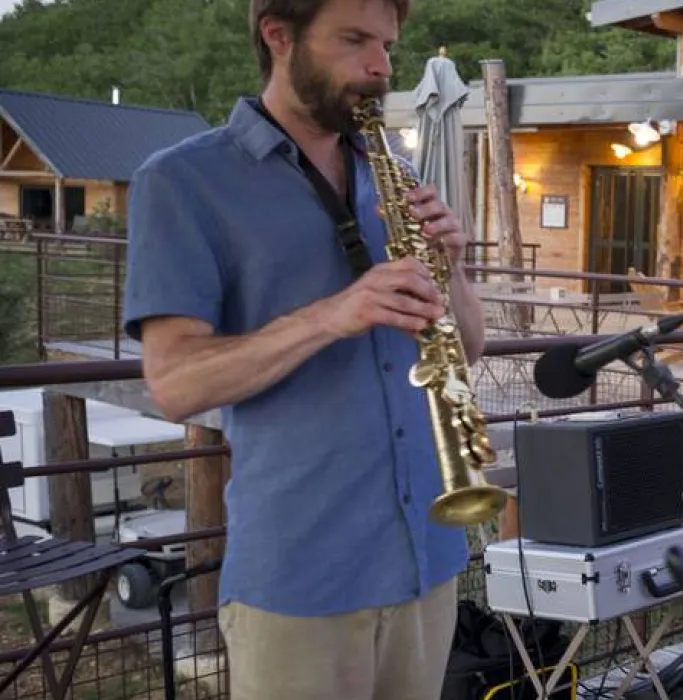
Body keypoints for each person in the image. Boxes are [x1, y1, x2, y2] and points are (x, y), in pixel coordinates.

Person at [121, 1, 477, 698]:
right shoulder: (183, 182)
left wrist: (454, 264)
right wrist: (332, 314)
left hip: (428, 562)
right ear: (278, 36)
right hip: (302, 581)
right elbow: (175, 384)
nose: (379, 66)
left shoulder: (392, 171)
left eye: (386, 45)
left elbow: (469, 347)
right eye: (354, 41)